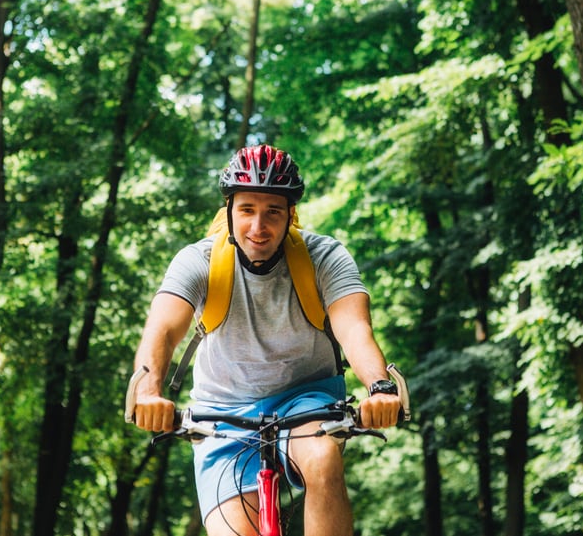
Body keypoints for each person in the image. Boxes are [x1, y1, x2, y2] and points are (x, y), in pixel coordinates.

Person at [131, 144, 401, 536]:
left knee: (323, 459)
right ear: (228, 210)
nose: (259, 226)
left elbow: (354, 328)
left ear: (291, 214)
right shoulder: (198, 261)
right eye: (247, 210)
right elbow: (163, 330)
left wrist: (379, 387)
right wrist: (149, 392)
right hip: (221, 416)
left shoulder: (324, 257)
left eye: (273, 211)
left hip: (307, 401)